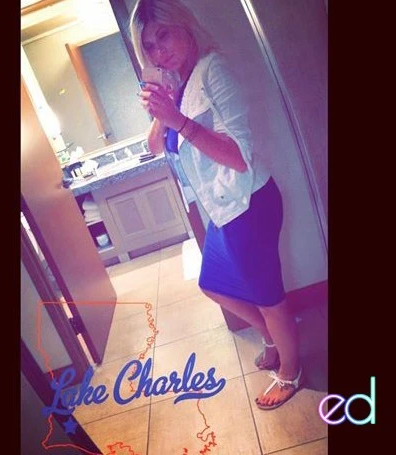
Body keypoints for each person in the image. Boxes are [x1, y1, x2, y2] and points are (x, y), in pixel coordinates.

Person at [130, 0, 302, 410]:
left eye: (163, 36)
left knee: (269, 298)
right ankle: (271, 337)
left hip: (249, 203)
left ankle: (291, 372)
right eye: (149, 46)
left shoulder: (213, 70)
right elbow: (155, 147)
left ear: (183, 26)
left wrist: (178, 121)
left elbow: (239, 156)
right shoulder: (180, 83)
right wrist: (162, 109)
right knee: (212, 283)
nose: (159, 51)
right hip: (224, 210)